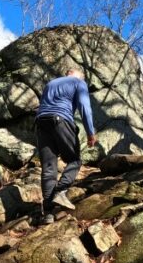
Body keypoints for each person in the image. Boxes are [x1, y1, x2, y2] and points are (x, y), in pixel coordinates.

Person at [34, 66, 97, 224]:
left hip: (41, 123)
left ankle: (48, 213)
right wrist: (90, 132)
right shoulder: (78, 83)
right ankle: (61, 191)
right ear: (78, 76)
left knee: (49, 168)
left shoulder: (51, 84)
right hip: (60, 119)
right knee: (75, 160)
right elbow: (84, 107)